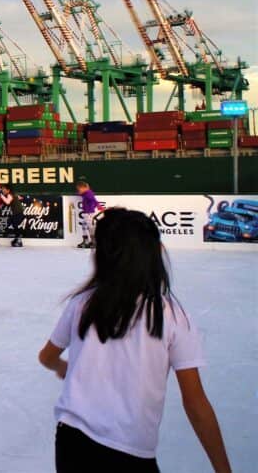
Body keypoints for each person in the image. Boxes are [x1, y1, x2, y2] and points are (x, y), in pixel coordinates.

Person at [38, 208, 231, 473]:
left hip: (72, 442)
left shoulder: (82, 303)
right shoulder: (170, 315)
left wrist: (62, 366)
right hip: (128, 452)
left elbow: (46, 356)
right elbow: (196, 403)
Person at [76, 179, 100, 249]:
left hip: (89, 213)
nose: (78, 191)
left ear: (83, 188)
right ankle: (86, 241)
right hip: (87, 213)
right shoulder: (85, 194)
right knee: (84, 226)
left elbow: (94, 200)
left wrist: (97, 206)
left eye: (79, 189)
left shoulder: (88, 193)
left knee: (90, 227)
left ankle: (93, 242)